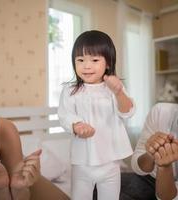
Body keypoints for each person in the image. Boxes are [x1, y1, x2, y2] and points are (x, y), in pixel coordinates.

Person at [58, 30, 135, 200]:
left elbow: (128, 112)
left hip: (110, 162)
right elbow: (65, 114)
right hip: (82, 162)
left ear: (108, 63)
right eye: (80, 60)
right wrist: (76, 125)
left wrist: (119, 93)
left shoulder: (114, 88)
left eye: (94, 60)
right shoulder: (70, 91)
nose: (86, 66)